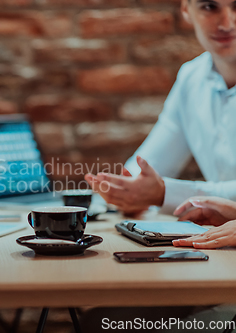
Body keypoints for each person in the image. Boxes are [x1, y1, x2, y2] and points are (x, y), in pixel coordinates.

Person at [85, 0, 236, 216]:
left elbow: (158, 191)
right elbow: (150, 163)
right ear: (186, 9)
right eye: (210, 7)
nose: (226, 23)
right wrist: (126, 190)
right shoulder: (191, 78)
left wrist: (164, 193)